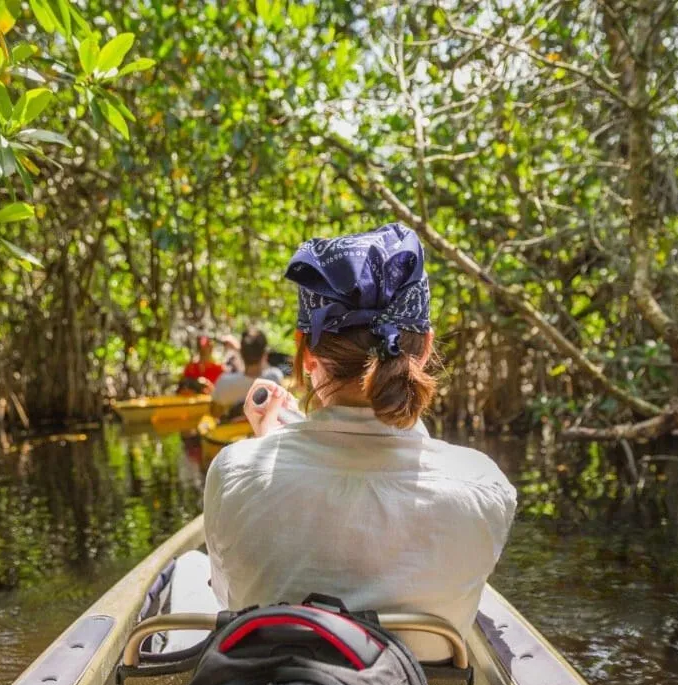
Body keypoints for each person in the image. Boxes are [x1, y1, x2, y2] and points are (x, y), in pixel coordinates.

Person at [203, 223, 517, 660]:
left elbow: (229, 597)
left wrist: (264, 446)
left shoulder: (235, 470)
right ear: (424, 347)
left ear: (305, 352)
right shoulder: (485, 485)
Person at [210, 327, 285, 415]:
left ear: (241, 353)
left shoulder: (224, 383)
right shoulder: (274, 379)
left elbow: (214, 413)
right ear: (264, 354)